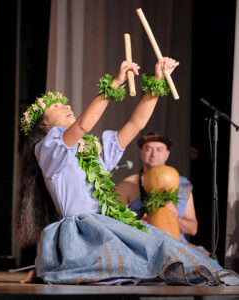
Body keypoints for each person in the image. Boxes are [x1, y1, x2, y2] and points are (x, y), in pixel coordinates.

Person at [16, 58, 239, 286]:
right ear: (43, 125)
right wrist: (115, 82)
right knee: (138, 264)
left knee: (162, 245)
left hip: (108, 226)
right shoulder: (48, 149)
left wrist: (157, 81)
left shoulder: (91, 151)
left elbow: (135, 124)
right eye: (55, 106)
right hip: (83, 234)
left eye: (64, 102)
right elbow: (83, 125)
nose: (64, 105)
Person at [115, 133, 198, 244]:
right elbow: (113, 224)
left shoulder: (182, 184)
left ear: (167, 154)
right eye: (148, 149)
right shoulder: (128, 184)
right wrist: (137, 225)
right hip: (139, 245)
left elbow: (192, 229)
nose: (154, 154)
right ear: (141, 152)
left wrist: (176, 218)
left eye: (159, 149)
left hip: (177, 246)